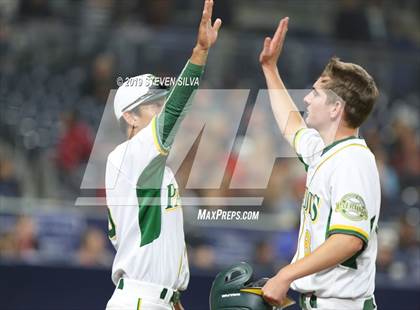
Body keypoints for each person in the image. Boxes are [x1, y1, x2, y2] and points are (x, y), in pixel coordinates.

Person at [104, 1, 221, 309]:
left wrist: (173, 298)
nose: (160, 109)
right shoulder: (129, 154)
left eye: (160, 103)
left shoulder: (151, 164)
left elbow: (157, 244)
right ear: (130, 117)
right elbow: (175, 112)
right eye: (153, 105)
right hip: (140, 299)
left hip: (156, 298)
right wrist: (199, 53)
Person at [259, 18, 380, 310]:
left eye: (315, 93)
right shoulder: (330, 151)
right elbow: (292, 127)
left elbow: (348, 240)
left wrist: (286, 274)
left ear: (336, 108)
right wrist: (270, 69)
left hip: (341, 304)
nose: (307, 98)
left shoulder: (353, 161)